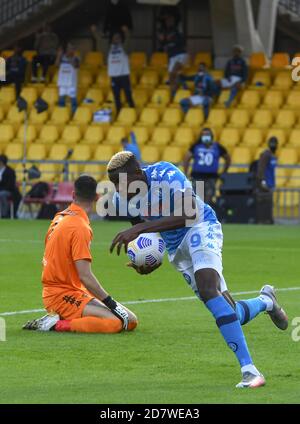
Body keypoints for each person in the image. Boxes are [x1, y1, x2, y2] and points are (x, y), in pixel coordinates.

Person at [107, 151, 288, 388]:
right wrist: (148, 261)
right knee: (231, 312)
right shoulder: (124, 200)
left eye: (123, 183)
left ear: (138, 174)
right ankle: (266, 301)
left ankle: (250, 371)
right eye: (115, 185)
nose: (120, 190)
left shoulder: (166, 173)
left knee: (207, 288)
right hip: (176, 249)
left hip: (200, 227)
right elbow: (149, 235)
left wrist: (138, 230)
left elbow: (189, 213)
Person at [23, 175, 138, 333]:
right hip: (60, 295)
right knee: (115, 323)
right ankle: (54, 325)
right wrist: (110, 303)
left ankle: (62, 318)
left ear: (73, 194)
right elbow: (85, 275)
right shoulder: (80, 227)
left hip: (71, 290)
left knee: (130, 321)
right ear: (97, 197)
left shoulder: (59, 217)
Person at [91, 25, 135, 114]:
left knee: (128, 95)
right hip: (114, 77)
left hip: (124, 76)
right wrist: (94, 32)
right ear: (111, 39)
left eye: (118, 37)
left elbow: (128, 39)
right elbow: (99, 40)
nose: (116, 39)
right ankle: (119, 112)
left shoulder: (124, 47)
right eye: (114, 38)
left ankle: (132, 111)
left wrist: (127, 32)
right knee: (116, 97)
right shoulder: (108, 49)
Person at [183, 128, 231, 205]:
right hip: (197, 176)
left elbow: (227, 157)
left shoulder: (217, 147)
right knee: (198, 199)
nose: (206, 136)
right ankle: (198, 216)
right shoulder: (196, 146)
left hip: (211, 177)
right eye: (204, 134)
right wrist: (186, 172)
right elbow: (186, 158)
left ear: (211, 136)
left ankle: (206, 215)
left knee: (209, 199)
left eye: (207, 134)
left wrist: (224, 171)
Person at [158, 13, 187, 97]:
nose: (168, 22)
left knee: (174, 72)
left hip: (180, 54)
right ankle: (173, 93)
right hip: (172, 57)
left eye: (170, 20)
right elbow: (162, 41)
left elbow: (181, 41)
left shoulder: (177, 30)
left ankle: (179, 84)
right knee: (171, 77)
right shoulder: (163, 30)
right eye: (167, 20)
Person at [255, 137, 278, 224]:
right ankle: (264, 220)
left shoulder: (272, 156)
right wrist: (262, 180)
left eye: (275, 143)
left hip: (270, 182)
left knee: (269, 203)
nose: (273, 145)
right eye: (272, 143)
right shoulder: (266, 155)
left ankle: (268, 219)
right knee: (265, 202)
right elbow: (261, 168)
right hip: (266, 182)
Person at [56, 43, 80, 114]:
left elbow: (76, 65)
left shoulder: (76, 58)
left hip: (71, 83)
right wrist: (59, 55)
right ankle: (62, 114)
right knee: (61, 100)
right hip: (62, 82)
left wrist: (70, 58)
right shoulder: (62, 57)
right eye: (69, 48)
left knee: (73, 100)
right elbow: (56, 64)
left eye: (71, 48)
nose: (70, 50)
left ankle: (74, 115)